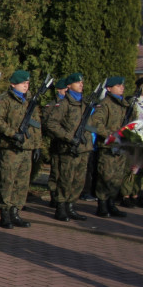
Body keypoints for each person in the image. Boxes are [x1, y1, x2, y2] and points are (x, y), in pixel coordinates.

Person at [0, 70, 42, 228]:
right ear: (13, 84)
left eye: (27, 83)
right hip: (10, 148)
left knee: (22, 182)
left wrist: (37, 145)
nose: (26, 86)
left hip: (26, 148)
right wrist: (13, 134)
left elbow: (36, 124)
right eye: (22, 83)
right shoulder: (3, 100)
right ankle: (4, 213)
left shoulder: (30, 100)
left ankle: (15, 211)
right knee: (8, 181)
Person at [45, 74, 89, 221]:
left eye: (82, 82)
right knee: (65, 179)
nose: (81, 84)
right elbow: (51, 124)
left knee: (78, 180)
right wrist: (69, 137)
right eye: (78, 82)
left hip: (82, 148)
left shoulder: (84, 103)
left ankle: (71, 206)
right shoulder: (64, 104)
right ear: (69, 86)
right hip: (68, 148)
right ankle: (61, 208)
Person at [89, 76, 130, 218]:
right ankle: (102, 205)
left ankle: (111, 204)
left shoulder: (124, 104)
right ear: (109, 88)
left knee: (117, 177)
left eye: (122, 85)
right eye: (118, 85)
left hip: (122, 147)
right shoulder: (104, 104)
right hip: (108, 147)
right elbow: (96, 124)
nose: (122, 87)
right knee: (105, 176)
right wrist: (112, 136)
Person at [42, 77, 68, 208]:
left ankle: (63, 197)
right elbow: (47, 124)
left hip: (68, 145)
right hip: (57, 142)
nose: (67, 91)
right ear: (59, 90)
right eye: (65, 89)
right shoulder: (52, 105)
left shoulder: (71, 105)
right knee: (56, 171)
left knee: (66, 173)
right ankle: (54, 195)